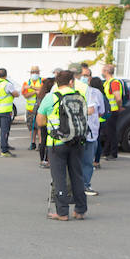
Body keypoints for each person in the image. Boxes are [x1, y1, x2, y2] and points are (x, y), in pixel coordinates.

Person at [43, 70, 88, 220]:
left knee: (59, 177)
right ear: (71, 81)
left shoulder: (51, 97)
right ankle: (80, 210)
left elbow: (40, 121)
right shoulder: (79, 97)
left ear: (56, 82)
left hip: (57, 143)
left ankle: (62, 212)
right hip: (77, 140)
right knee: (77, 175)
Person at [83, 76, 106, 196]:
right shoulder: (96, 93)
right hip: (90, 132)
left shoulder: (74, 90)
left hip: (75, 132)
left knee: (77, 161)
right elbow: (101, 111)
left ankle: (75, 186)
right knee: (87, 161)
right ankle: (85, 185)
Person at [100, 63, 126, 160]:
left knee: (111, 133)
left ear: (106, 72)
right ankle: (106, 151)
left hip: (112, 110)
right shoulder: (107, 82)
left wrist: (119, 107)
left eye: (103, 70)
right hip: (109, 110)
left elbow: (118, 98)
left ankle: (113, 153)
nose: (102, 72)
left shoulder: (113, 83)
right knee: (107, 132)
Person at [34, 76, 56, 167]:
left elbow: (37, 108)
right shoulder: (51, 96)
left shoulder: (40, 95)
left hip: (42, 119)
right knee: (49, 141)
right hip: (50, 121)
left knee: (43, 140)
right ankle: (48, 159)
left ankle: (43, 159)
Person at [21, 66, 43, 151]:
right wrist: (35, 91)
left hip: (40, 108)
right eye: (33, 72)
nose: (35, 74)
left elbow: (43, 89)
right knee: (31, 127)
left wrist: (31, 88)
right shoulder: (26, 82)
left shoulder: (42, 81)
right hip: (30, 109)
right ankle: (32, 143)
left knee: (40, 127)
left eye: (36, 72)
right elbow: (25, 95)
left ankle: (40, 144)